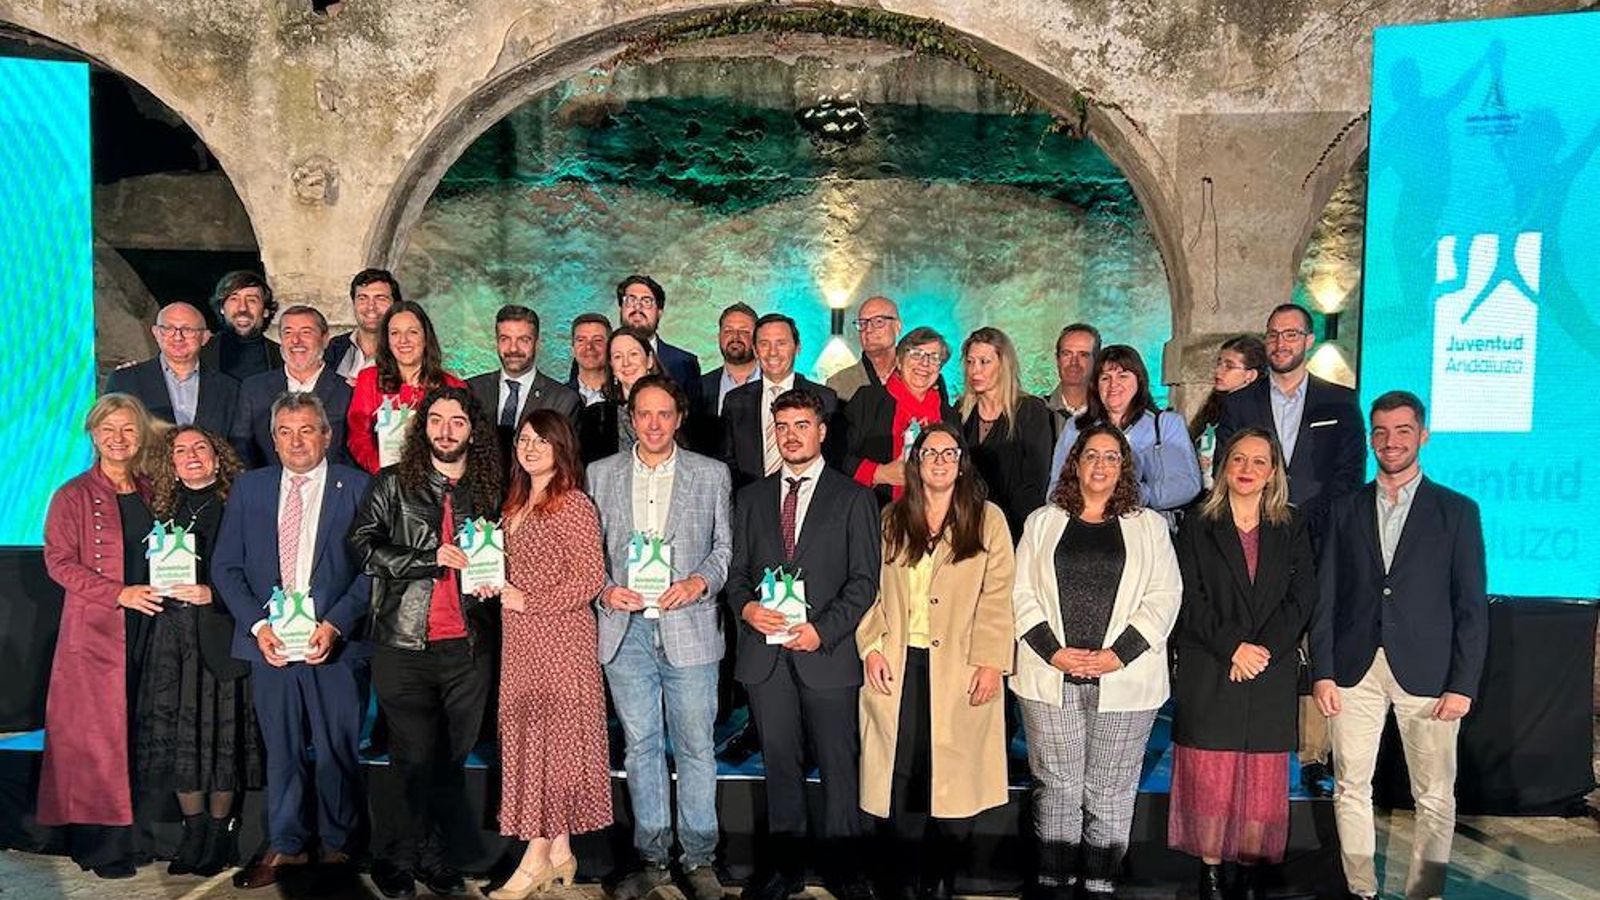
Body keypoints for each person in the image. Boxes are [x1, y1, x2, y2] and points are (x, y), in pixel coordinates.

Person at [1310, 391, 1488, 900]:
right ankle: (1361, 890)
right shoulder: (1345, 509)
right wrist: (1322, 671)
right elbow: (1326, 596)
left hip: (1429, 674)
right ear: (1371, 438)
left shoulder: (1457, 511)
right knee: (1350, 787)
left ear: (1423, 436)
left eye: (1403, 430)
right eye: (1382, 431)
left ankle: (1424, 892)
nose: (1391, 441)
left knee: (1434, 796)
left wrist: (1462, 684)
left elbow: (1471, 605)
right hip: (1353, 670)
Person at [1010, 424, 1181, 900]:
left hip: (1125, 679)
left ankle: (1099, 886)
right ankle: (1055, 883)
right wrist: (1054, 651)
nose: (1100, 465)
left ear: (1124, 467)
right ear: (1076, 463)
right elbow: (1021, 593)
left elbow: (1165, 597)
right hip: (1051, 675)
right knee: (1057, 787)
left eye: (1111, 456)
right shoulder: (1042, 522)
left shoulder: (1149, 526)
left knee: (1110, 790)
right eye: (1091, 455)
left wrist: (1115, 656)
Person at [211, 392, 372, 889]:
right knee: (280, 749)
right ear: (273, 439)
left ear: (327, 435)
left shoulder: (357, 486)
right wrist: (259, 628)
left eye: (306, 430)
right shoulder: (250, 488)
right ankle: (287, 844)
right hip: (272, 647)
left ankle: (338, 844)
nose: (296, 441)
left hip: (333, 645)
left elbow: (372, 568)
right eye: (285, 432)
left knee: (336, 748)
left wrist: (336, 623)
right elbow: (226, 566)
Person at [726, 390, 880, 900]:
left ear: (822, 431)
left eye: (802, 425)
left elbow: (864, 581)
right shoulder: (751, 498)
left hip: (827, 655)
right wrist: (747, 609)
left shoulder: (854, 498)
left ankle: (845, 869)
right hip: (766, 657)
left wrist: (823, 630)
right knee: (780, 763)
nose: (791, 435)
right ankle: (784, 870)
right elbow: (736, 574)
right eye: (783, 426)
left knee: (839, 765)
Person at [349, 386, 502, 898]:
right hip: (403, 643)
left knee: (449, 760)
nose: (445, 430)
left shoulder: (489, 488)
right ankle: (396, 858)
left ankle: (434, 859)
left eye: (457, 421)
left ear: (473, 431)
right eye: (436, 420)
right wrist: (427, 559)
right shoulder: (393, 482)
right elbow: (361, 547)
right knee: (412, 756)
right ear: (423, 428)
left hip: (469, 647)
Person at [589, 374, 732, 900]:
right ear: (630, 418)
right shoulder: (599, 474)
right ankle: (652, 858)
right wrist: (606, 590)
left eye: (664, 414)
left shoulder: (710, 474)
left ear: (679, 418)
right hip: (625, 633)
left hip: (689, 627)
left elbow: (724, 549)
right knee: (641, 746)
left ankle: (698, 858)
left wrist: (698, 583)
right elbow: (588, 553)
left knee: (695, 747)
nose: (653, 424)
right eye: (644, 413)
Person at [1216, 303, 1363, 795]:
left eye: (1292, 334)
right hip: (1252, 536)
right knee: (1252, 630)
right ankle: (1249, 739)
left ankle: (1313, 755)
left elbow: (1348, 477)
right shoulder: (1239, 403)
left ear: (1308, 340)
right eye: (1274, 334)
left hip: (1317, 539)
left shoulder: (1339, 402)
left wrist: (1308, 526)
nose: (1282, 343)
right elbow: (1225, 468)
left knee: (1314, 640)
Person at [1168, 428, 1317, 900]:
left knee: (1260, 785)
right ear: (1223, 466)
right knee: (1210, 781)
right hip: (1212, 667)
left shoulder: (1291, 524)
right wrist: (1234, 648)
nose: (1247, 470)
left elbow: (1302, 596)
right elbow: (1188, 596)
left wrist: (1260, 651)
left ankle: (1251, 879)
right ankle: (1211, 877)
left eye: (1258, 462)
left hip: (1268, 672)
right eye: (1238, 459)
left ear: (1273, 472)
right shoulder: (1197, 523)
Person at [488, 410, 611, 900]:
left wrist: (529, 601)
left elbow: (589, 578)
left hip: (560, 640)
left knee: (552, 744)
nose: (530, 447)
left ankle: (535, 857)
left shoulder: (574, 503)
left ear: (561, 448)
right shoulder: (516, 501)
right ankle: (560, 851)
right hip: (520, 641)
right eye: (524, 439)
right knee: (533, 741)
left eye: (542, 440)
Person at [38, 393, 161, 879]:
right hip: (95, 632)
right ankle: (102, 847)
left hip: (150, 626)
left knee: (139, 732)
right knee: (96, 740)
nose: (118, 438)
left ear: (141, 435)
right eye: (108, 429)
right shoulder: (71, 495)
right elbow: (58, 563)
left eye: (128, 428)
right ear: (92, 434)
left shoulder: (153, 489)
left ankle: (139, 836)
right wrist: (118, 593)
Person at [136, 426, 264, 878]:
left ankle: (220, 832)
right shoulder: (161, 507)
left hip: (220, 634)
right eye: (180, 450)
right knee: (181, 741)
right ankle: (193, 833)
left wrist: (215, 594)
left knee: (219, 741)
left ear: (218, 456)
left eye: (200, 448)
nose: (191, 455)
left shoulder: (240, 504)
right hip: (171, 639)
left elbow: (262, 571)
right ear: (170, 462)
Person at [1044, 345, 1202, 526]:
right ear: (1095, 385)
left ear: (1139, 380)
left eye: (1122, 376)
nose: (1113, 384)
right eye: (1105, 378)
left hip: (1150, 528)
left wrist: (1132, 495)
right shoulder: (1076, 427)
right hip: (1086, 526)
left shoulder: (1166, 425)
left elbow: (1188, 485)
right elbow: (1056, 489)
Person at [842, 326, 959, 508]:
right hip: (874, 510)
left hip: (936, 513)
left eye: (934, 357)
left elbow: (962, 468)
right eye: (916, 354)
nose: (924, 363)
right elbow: (838, 455)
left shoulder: (949, 416)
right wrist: (880, 473)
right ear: (899, 361)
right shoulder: (868, 400)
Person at [346, 300, 466, 474]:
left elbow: (461, 438)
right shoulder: (369, 379)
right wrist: (385, 472)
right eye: (395, 333)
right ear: (387, 340)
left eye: (412, 332)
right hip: (383, 478)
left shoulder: (453, 386)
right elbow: (358, 437)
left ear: (426, 338)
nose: (403, 340)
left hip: (438, 480)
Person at [722, 313, 841, 489]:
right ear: (755, 350)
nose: (773, 352)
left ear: (797, 348)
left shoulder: (825, 398)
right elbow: (726, 460)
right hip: (750, 498)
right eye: (764, 344)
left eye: (781, 343)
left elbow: (834, 458)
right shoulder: (735, 401)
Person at [957, 327, 1053, 541]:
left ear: (1003, 365)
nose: (975, 370)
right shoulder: (961, 412)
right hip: (967, 529)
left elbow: (1035, 480)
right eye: (970, 362)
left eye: (984, 362)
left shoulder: (1031, 411)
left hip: (1015, 530)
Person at [232, 304, 353, 468]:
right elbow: (241, 446)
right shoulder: (254, 389)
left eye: (306, 332)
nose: (296, 341)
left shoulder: (346, 390)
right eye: (288, 333)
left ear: (325, 340)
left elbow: (353, 450)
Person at [467, 304, 582, 469]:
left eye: (523, 340)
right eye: (505, 339)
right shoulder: (471, 390)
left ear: (537, 343)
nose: (513, 348)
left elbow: (566, 463)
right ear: (497, 342)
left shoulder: (563, 400)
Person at [105, 300, 239, 433]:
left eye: (187, 330)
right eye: (168, 329)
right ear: (156, 333)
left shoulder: (228, 388)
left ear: (204, 337)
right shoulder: (125, 381)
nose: (178, 337)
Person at [1189, 336, 1267, 490]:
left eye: (1229, 366)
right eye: (1219, 363)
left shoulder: (1253, 411)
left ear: (1250, 375)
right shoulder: (1217, 405)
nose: (1218, 371)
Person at [575, 325, 660, 465]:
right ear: (611, 366)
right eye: (618, 357)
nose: (626, 363)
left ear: (649, 360)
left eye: (633, 354)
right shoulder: (595, 416)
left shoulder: (677, 409)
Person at [617, 274, 702, 406]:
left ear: (659, 312)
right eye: (631, 300)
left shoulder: (684, 363)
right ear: (621, 309)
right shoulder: (602, 358)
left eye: (646, 301)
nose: (637, 307)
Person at [689, 302, 760, 453]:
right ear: (719, 337)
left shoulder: (774, 385)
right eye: (728, 331)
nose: (736, 337)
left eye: (744, 331)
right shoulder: (699, 387)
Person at [200, 271, 282, 381]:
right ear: (222, 308)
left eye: (251, 300)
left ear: (266, 311)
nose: (242, 308)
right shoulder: (201, 353)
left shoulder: (283, 357)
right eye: (234, 299)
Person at [325, 268, 400, 384]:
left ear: (395, 304)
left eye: (380, 298)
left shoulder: (404, 350)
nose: (371, 307)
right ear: (353, 304)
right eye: (362, 298)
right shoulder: (335, 347)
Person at [826, 296, 902, 404]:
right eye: (862, 323)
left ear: (897, 326)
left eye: (878, 322)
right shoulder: (839, 384)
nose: (868, 329)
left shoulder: (917, 376)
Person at [1043, 324, 1100, 440]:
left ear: (1097, 360)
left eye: (1083, 355)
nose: (1074, 362)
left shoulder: (1110, 413)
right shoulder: (1034, 412)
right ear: (1057, 359)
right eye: (1066, 354)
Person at [567, 313, 612, 408]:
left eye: (597, 340)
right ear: (572, 348)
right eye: (581, 340)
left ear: (611, 347)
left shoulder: (624, 395)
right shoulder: (559, 397)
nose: (589, 346)